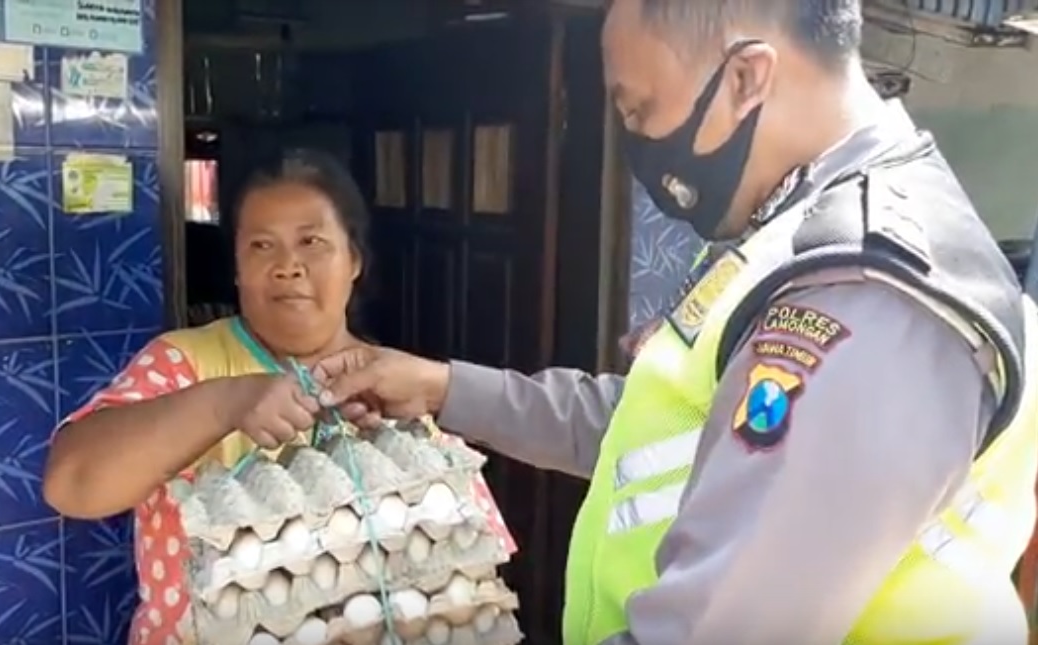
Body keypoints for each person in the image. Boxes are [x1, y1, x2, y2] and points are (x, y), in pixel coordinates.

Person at [311, 1, 1038, 643]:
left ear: (747, 78)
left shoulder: (865, 296)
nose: (635, 144)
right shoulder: (787, 238)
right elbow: (651, 429)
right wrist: (442, 387)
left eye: (636, 110)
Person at [41, 150, 513, 644]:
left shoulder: (392, 385)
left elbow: (469, 564)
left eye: (312, 241)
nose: (288, 266)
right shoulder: (186, 363)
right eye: (262, 246)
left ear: (354, 260)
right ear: (238, 270)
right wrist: (224, 404)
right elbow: (72, 484)